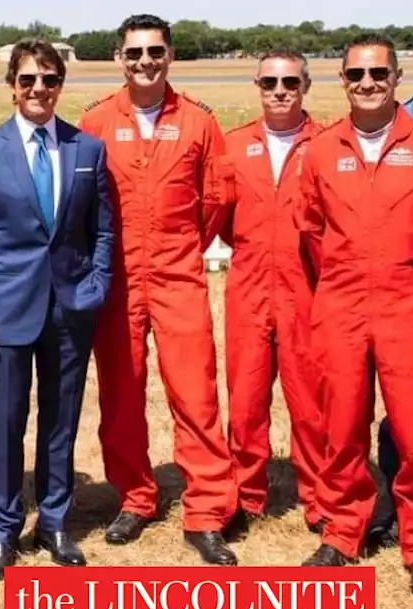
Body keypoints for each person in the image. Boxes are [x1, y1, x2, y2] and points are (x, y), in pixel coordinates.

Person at [77, 14, 240, 565]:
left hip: (178, 272)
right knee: (121, 394)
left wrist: (180, 246)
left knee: (195, 394)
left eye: (154, 52)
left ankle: (208, 509)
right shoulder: (97, 120)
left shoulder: (197, 121)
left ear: (170, 56)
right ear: (119, 58)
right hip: (118, 277)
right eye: (134, 53)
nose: (144, 61)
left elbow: (215, 198)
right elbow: (81, 200)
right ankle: (135, 497)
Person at [0, 39, 115, 581]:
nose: (38, 90)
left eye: (48, 80)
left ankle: (55, 522)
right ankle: (3, 531)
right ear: (12, 87)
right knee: (5, 423)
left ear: (60, 85)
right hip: (5, 312)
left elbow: (104, 229)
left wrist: (95, 286)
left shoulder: (87, 150)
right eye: (28, 80)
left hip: (70, 309)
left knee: (61, 421)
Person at [296, 34, 413, 591]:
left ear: (397, 79)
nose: (367, 84)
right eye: (355, 75)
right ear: (342, 82)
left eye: (378, 74)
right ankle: (343, 532)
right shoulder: (321, 150)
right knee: (340, 428)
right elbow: (310, 228)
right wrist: (343, 282)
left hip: (406, 303)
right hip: (341, 303)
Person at [219, 50, 326, 537]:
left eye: (289, 82)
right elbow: (219, 218)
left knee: (312, 401)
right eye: (269, 83)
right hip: (249, 287)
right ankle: (244, 494)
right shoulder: (235, 145)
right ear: (256, 86)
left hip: (308, 290)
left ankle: (322, 496)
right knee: (245, 398)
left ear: (305, 85)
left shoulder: (327, 143)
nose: (279, 91)